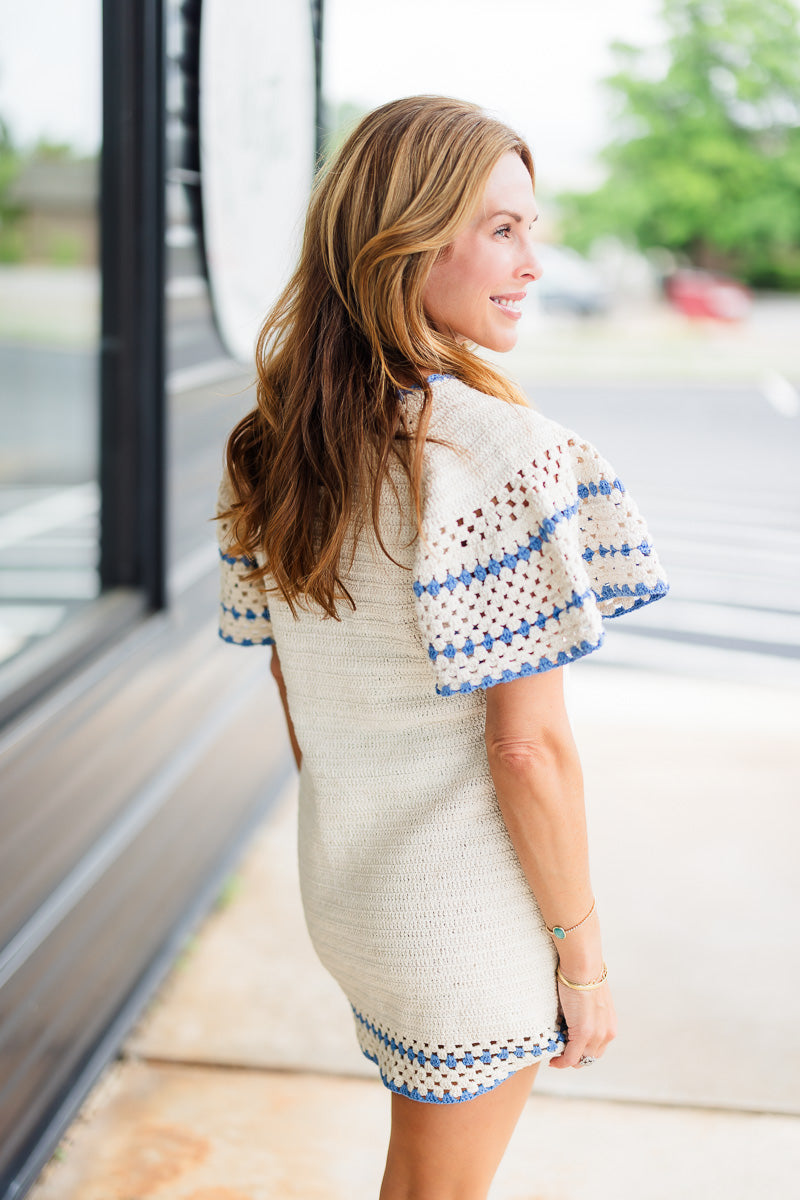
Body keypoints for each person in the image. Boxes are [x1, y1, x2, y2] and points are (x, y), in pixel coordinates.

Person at [214, 95, 669, 1200]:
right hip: (463, 924)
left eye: (531, 228)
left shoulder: (272, 445)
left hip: (356, 894)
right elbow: (528, 754)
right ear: (404, 237)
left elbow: (289, 678)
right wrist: (582, 960)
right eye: (500, 228)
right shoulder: (497, 451)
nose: (529, 260)